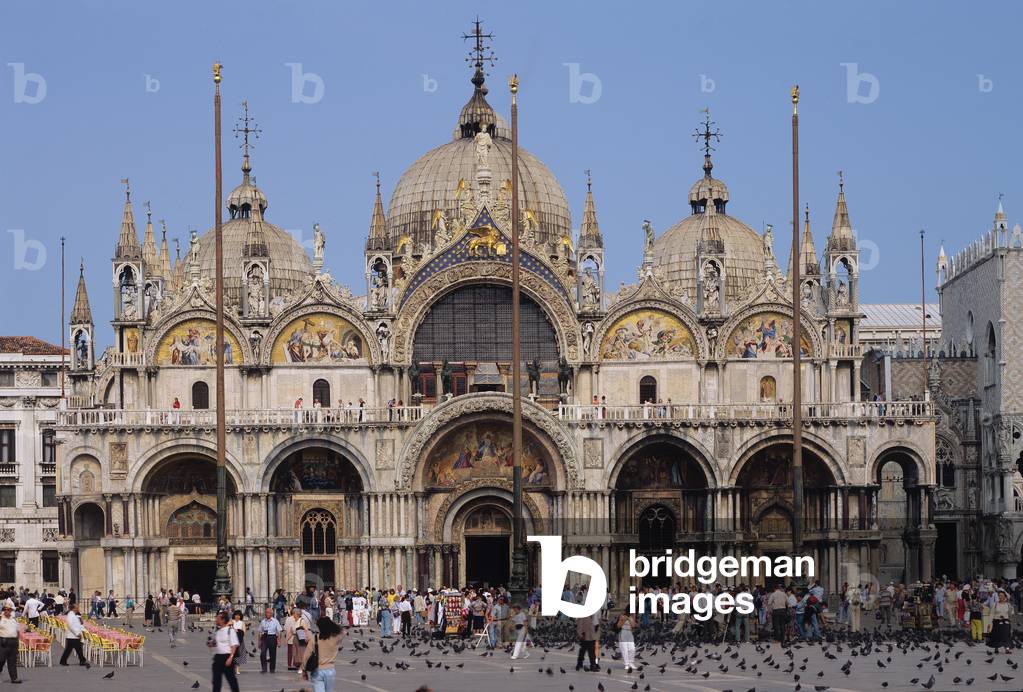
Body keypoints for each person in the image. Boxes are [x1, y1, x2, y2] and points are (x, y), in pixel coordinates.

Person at [301, 616, 343, 692]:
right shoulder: (336, 637)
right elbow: (343, 631)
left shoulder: (314, 638)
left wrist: (304, 670)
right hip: (330, 670)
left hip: (317, 670)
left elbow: (306, 655)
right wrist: (333, 625)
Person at [208, 611, 240, 692]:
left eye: (218, 618)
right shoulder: (218, 631)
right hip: (218, 658)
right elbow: (216, 643)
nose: (216, 620)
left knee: (231, 680)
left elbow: (234, 645)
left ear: (223, 620)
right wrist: (211, 644)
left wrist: (230, 658)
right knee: (216, 681)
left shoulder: (230, 631)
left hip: (227, 658)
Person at [59, 603, 90, 667]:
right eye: (77, 607)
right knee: (72, 649)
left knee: (77, 649)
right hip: (73, 636)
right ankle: (81, 660)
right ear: (74, 608)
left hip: (73, 636)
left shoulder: (73, 615)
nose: (78, 608)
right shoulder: (71, 615)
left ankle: (81, 660)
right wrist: (77, 633)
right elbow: (70, 625)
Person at [0, 603, 21, 683]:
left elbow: (17, 631)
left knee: (12, 661)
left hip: (13, 641)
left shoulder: (13, 619)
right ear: (4, 610)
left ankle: (14, 678)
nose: (8, 611)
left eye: (10, 610)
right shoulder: (1, 618)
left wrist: (17, 641)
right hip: (3, 641)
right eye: (7, 609)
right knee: (1, 659)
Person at [258, 607, 283, 673]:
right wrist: (259, 642)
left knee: (272, 653)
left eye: (268, 612)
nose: (267, 614)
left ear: (271, 614)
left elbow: (279, 631)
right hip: (264, 637)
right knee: (263, 653)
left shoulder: (275, 621)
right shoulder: (263, 621)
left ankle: (272, 668)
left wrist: (279, 641)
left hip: (272, 637)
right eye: (266, 612)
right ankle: (264, 668)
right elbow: (260, 632)